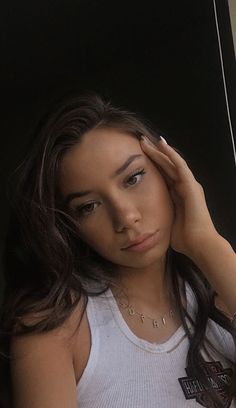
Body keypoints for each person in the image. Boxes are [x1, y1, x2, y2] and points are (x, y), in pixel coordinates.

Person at [0, 93, 236, 408]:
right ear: (69, 225)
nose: (125, 217)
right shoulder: (57, 328)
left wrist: (205, 243)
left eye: (133, 178)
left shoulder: (220, 292)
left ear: (170, 173)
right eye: (89, 206)